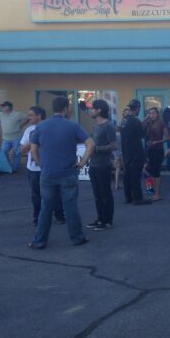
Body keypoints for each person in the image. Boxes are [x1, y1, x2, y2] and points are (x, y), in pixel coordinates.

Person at [28, 96, 95, 249]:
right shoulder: (73, 126)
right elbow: (91, 144)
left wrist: (41, 164)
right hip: (68, 172)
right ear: (65, 108)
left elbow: (33, 149)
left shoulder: (41, 126)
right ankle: (77, 238)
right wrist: (82, 162)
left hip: (48, 173)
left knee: (46, 207)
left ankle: (40, 241)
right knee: (70, 206)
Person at [20, 106, 65, 226]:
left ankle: (59, 215)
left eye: (31, 115)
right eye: (28, 115)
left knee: (54, 192)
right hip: (33, 168)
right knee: (36, 194)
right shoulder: (29, 130)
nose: (29, 118)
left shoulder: (50, 127)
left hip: (50, 167)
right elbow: (22, 150)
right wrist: (31, 142)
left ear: (39, 116)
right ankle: (38, 217)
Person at [86, 99, 118, 231]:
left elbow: (114, 145)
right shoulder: (96, 126)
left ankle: (107, 220)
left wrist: (97, 149)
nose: (90, 111)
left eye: (92, 109)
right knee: (97, 195)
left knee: (105, 193)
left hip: (103, 165)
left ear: (99, 110)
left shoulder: (108, 126)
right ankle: (100, 218)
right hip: (94, 164)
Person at [121, 100, 151, 206]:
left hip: (126, 152)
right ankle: (138, 198)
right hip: (135, 152)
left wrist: (144, 120)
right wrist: (146, 126)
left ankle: (128, 197)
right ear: (137, 108)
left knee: (127, 175)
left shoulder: (124, 120)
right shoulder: (135, 121)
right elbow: (141, 134)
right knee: (135, 176)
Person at [143, 107, 169, 201]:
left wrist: (157, 142)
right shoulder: (148, 123)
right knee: (148, 170)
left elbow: (167, 137)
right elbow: (139, 127)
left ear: (157, 114)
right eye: (150, 113)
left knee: (156, 172)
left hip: (158, 150)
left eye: (153, 113)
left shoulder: (161, 123)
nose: (152, 115)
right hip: (149, 150)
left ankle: (158, 194)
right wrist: (146, 118)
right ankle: (152, 190)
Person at [0, 101, 28, 173]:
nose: (2, 108)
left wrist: (22, 125)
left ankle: (15, 168)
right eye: (2, 106)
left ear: (8, 107)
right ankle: (8, 167)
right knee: (4, 151)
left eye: (4, 106)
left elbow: (28, 118)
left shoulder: (17, 114)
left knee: (17, 153)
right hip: (6, 138)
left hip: (16, 137)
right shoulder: (0, 114)